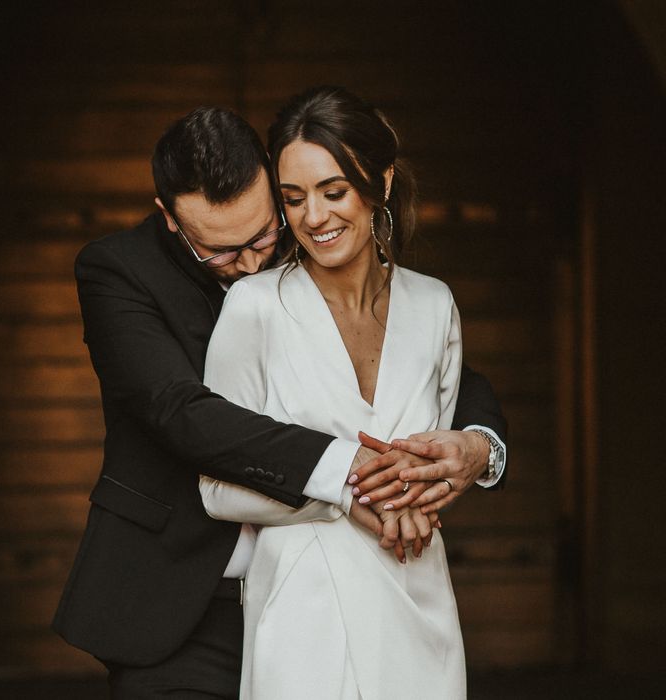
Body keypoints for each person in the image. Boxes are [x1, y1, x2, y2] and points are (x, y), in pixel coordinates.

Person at [52, 104, 506, 699]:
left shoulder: (316, 247)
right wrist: (354, 475)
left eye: (264, 234)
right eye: (217, 252)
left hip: (333, 596)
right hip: (184, 605)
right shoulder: (118, 271)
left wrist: (480, 444)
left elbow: (432, 364)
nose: (249, 265)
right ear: (169, 218)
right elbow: (177, 409)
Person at [199, 86, 480, 699]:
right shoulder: (255, 308)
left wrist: (423, 490)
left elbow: (440, 465)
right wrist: (345, 496)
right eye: (294, 199)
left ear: (378, 181)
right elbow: (217, 488)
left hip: (416, 592)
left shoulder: (434, 306)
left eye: (334, 191)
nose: (314, 217)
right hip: (304, 609)